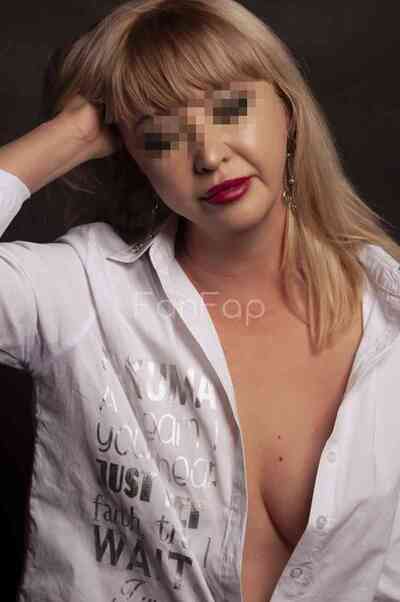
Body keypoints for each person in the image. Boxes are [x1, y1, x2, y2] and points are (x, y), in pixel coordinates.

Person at [1, 0, 399, 600]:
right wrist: (69, 135)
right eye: (161, 138)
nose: (209, 156)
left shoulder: (389, 315)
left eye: (230, 108)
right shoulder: (82, 292)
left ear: (288, 112)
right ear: (134, 159)